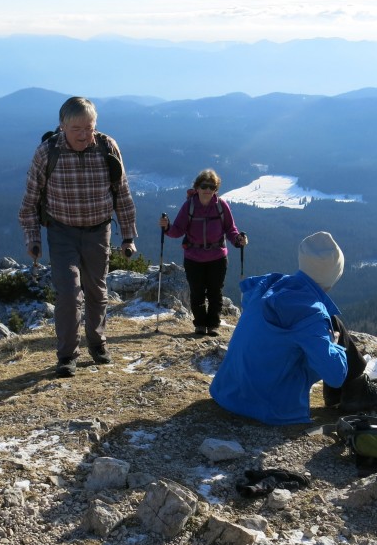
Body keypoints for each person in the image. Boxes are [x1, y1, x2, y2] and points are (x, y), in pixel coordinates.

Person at [210, 231, 377, 425]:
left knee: (329, 325)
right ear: (334, 273)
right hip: (267, 406)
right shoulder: (310, 313)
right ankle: (355, 393)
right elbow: (335, 375)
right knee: (334, 332)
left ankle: (345, 394)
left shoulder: (269, 284)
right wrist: (334, 345)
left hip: (226, 390)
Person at [18, 96, 138, 377]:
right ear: (62, 127)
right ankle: (67, 356)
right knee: (69, 293)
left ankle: (97, 344)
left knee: (97, 290)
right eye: (77, 129)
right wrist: (32, 238)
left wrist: (128, 236)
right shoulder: (47, 153)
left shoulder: (107, 148)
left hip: (99, 230)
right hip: (62, 232)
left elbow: (122, 194)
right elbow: (30, 201)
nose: (85, 134)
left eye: (89, 127)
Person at [159, 169, 247, 337]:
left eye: (212, 187)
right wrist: (167, 227)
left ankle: (213, 325)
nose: (208, 190)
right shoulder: (189, 206)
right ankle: (200, 324)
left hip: (217, 257)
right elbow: (178, 229)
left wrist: (238, 240)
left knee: (215, 292)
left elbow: (230, 229)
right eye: (204, 186)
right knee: (197, 292)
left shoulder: (221, 206)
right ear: (197, 187)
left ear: (216, 189)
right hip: (194, 257)